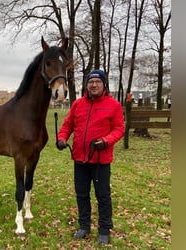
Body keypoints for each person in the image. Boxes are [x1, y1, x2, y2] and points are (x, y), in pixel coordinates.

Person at [56, 69, 125, 244]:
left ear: (103, 85)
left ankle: (104, 229)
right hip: (80, 158)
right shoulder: (78, 104)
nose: (94, 85)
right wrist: (62, 138)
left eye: (97, 82)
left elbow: (119, 129)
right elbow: (67, 125)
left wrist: (106, 140)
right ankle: (84, 226)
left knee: (102, 196)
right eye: (90, 82)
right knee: (81, 194)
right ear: (86, 85)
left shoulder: (113, 105)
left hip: (100, 160)